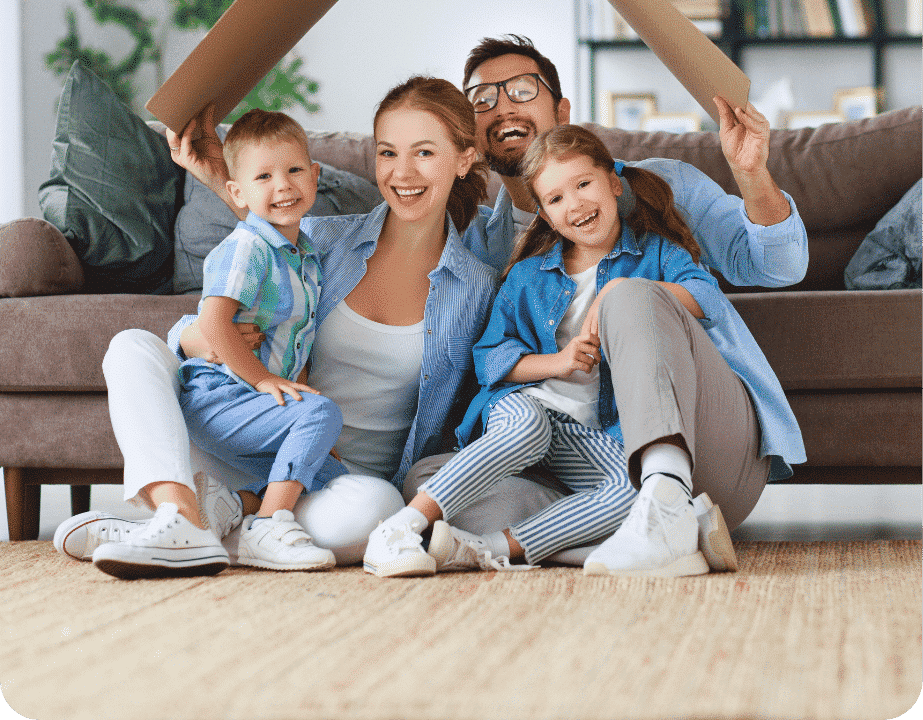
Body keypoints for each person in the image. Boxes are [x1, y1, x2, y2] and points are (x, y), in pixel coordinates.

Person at [58, 77, 497, 579]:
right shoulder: (325, 241)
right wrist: (191, 336)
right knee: (132, 347)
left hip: (335, 483)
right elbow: (259, 245)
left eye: (424, 153)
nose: (402, 172)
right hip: (247, 436)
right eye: (387, 153)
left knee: (376, 512)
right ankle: (181, 514)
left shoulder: (476, 288)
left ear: (464, 159)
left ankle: (192, 521)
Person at [403, 34, 809, 562]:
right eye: (482, 99)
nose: (502, 106)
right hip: (573, 458)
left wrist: (752, 173)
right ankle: (602, 536)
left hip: (700, 444)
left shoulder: (662, 190)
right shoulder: (479, 245)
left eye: (522, 90)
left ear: (562, 108)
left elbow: (780, 267)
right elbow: (475, 358)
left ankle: (661, 498)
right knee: (429, 480)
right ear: (470, 138)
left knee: (629, 295)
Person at [171, 110, 344, 573]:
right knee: (323, 413)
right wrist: (262, 378)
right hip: (220, 396)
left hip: (259, 404)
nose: (282, 185)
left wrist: (297, 398)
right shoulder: (248, 246)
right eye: (263, 176)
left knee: (334, 477)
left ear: (315, 176)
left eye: (293, 171)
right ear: (237, 192)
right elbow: (213, 320)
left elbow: (298, 342)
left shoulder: (307, 257)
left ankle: (232, 506)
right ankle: (268, 525)